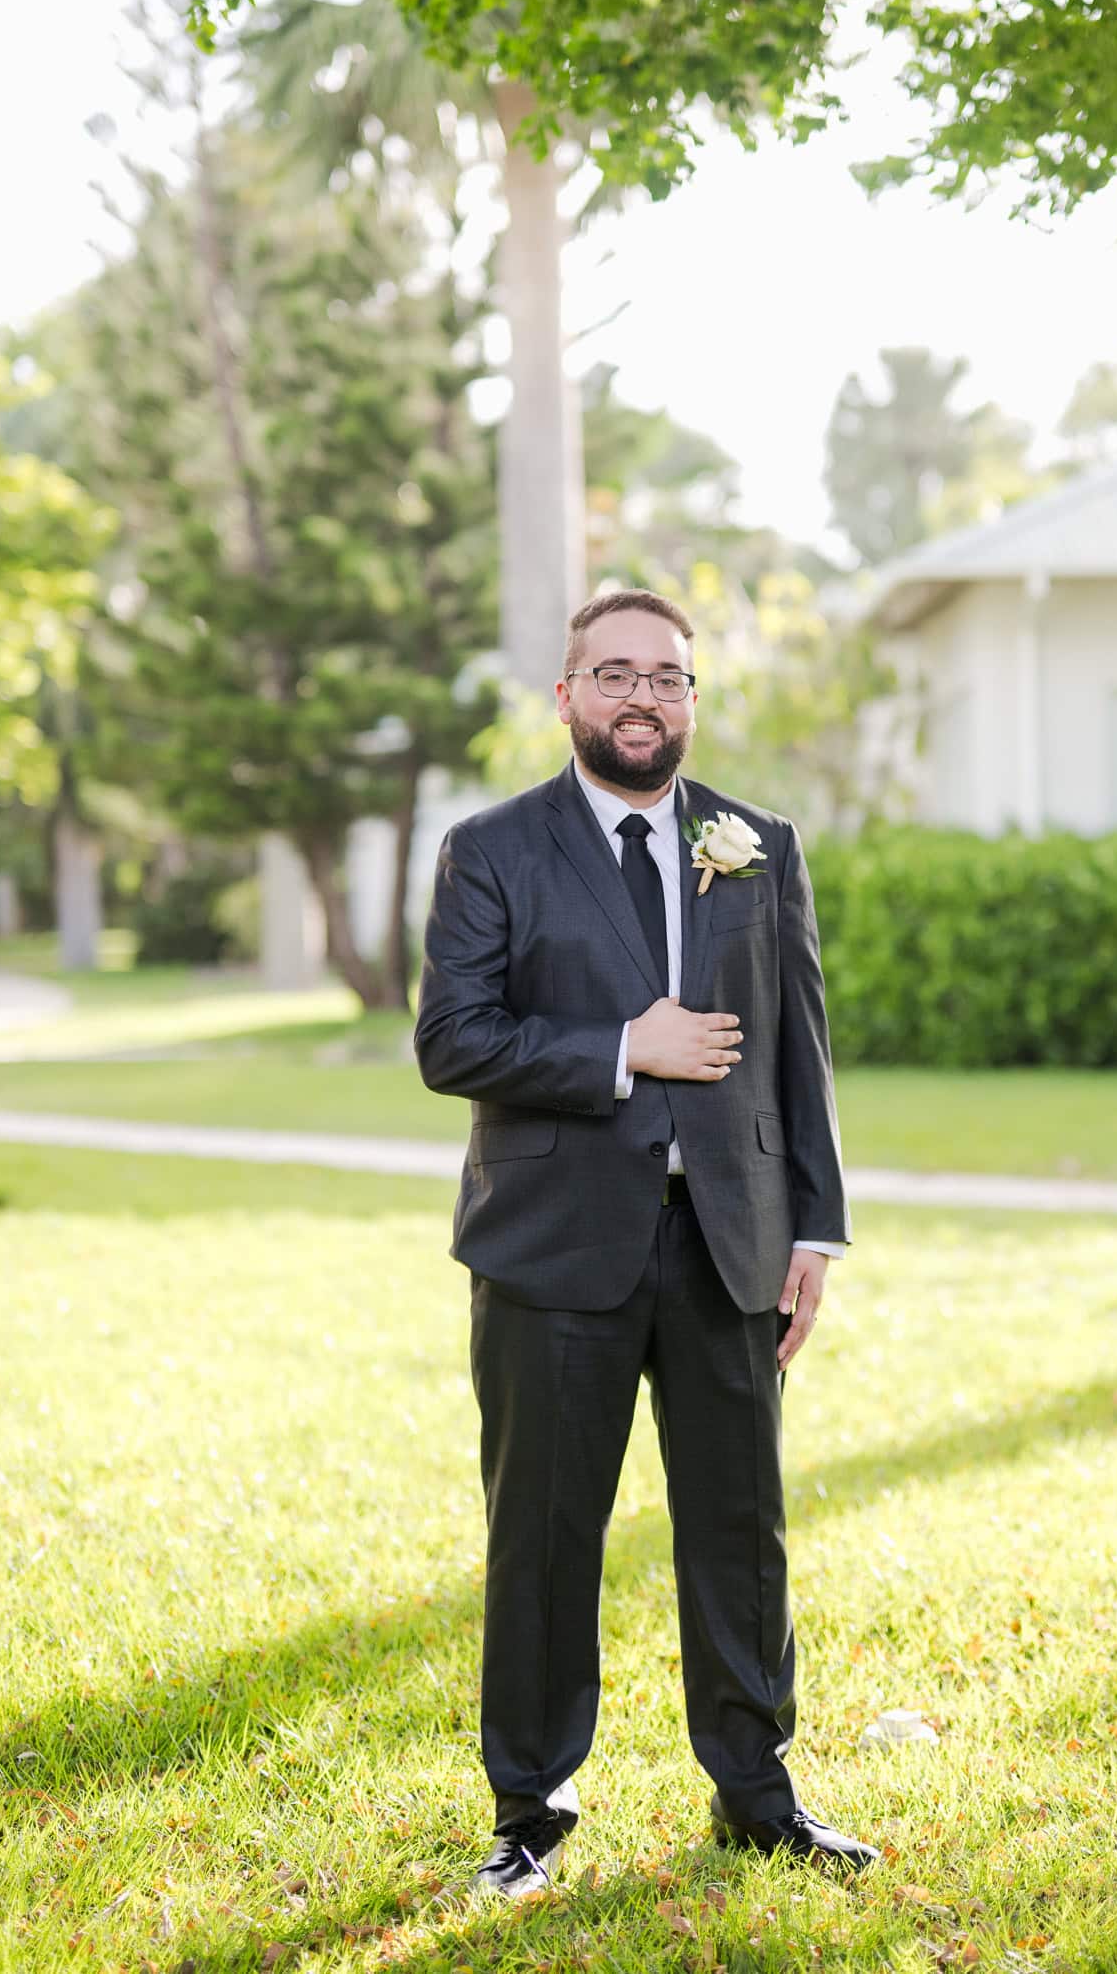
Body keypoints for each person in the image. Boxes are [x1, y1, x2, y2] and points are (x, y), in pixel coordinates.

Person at [413, 587, 877, 1895]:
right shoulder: (493, 848)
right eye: (613, 674)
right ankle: (530, 1802)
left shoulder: (755, 843)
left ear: (690, 698)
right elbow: (452, 1039)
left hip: (731, 1241)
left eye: (666, 677)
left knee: (741, 1526)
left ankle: (756, 1789)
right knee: (546, 1528)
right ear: (565, 696)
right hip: (551, 1248)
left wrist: (816, 1230)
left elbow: (800, 1052)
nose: (640, 698)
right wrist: (626, 1046)